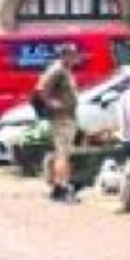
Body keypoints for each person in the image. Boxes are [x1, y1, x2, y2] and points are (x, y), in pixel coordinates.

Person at [33, 43, 85, 203]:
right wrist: (54, 104)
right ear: (65, 55)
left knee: (64, 152)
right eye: (73, 54)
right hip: (61, 118)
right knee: (62, 152)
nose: (76, 57)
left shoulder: (65, 71)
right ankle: (61, 187)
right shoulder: (57, 70)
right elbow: (42, 90)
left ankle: (61, 185)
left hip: (68, 116)